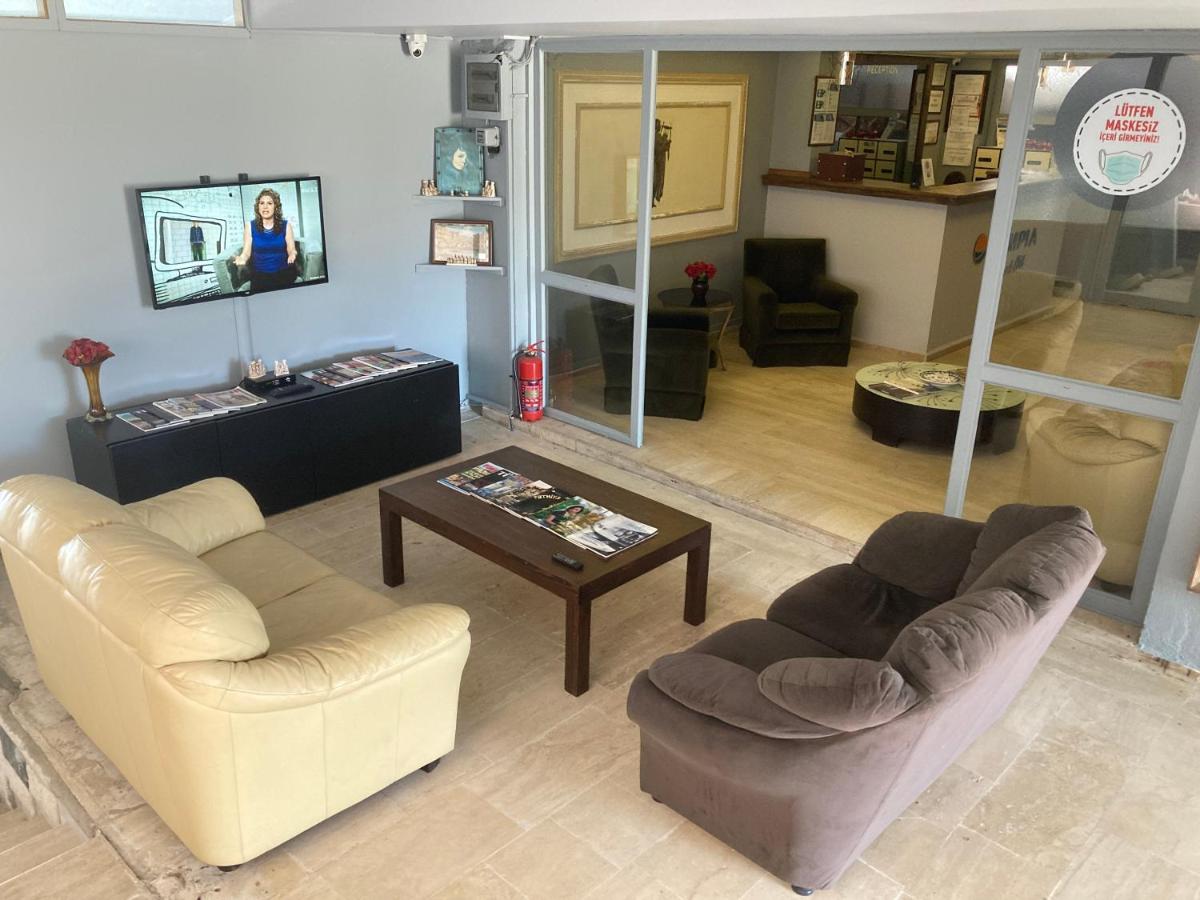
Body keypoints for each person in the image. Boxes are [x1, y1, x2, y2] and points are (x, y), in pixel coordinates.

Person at [232, 188, 297, 293]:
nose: (265, 206)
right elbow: (246, 252)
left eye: (269, 203)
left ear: (276, 207)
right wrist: (242, 259)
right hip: (260, 275)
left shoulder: (286, 225)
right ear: (258, 207)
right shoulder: (249, 226)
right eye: (262, 203)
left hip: (283, 272)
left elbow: (291, 248)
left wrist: (292, 255)